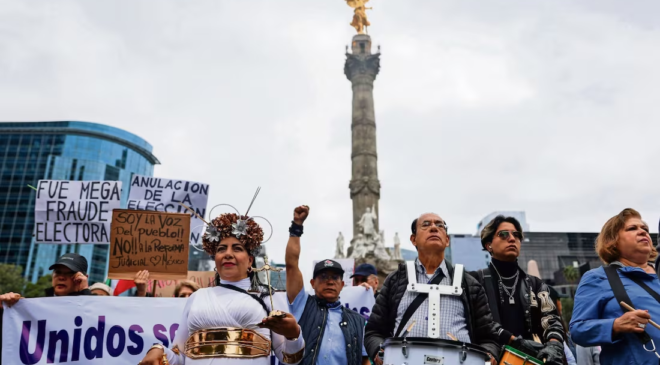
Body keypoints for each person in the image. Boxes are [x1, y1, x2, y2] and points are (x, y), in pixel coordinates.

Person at [139, 208, 305, 364]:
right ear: (215, 258)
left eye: (237, 248)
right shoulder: (197, 297)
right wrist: (159, 350)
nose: (228, 254)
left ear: (250, 261)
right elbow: (179, 355)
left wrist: (293, 335)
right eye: (222, 249)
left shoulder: (268, 297)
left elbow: (289, 359)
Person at [365, 213, 505, 365]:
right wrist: (379, 353)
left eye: (440, 226)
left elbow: (489, 337)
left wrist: (489, 356)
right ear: (413, 239)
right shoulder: (396, 280)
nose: (433, 228)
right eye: (426, 225)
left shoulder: (469, 284)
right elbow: (374, 331)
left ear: (447, 240)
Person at [469, 215, 566, 364]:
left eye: (516, 235)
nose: (512, 239)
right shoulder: (474, 281)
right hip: (490, 359)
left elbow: (552, 320)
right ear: (489, 245)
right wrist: (514, 341)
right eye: (503, 234)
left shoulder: (536, 284)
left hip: (532, 360)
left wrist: (554, 344)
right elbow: (479, 323)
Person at [570, 208, 660, 365]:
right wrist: (616, 325)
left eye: (645, 229)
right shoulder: (598, 277)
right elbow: (578, 330)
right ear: (613, 241)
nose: (642, 232)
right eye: (632, 228)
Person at [285, 205, 370, 365]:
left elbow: (364, 360)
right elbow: (291, 264)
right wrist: (296, 227)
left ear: (342, 284)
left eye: (335, 278)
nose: (330, 281)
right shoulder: (302, 305)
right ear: (312, 283)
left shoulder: (358, 321)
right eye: (323, 277)